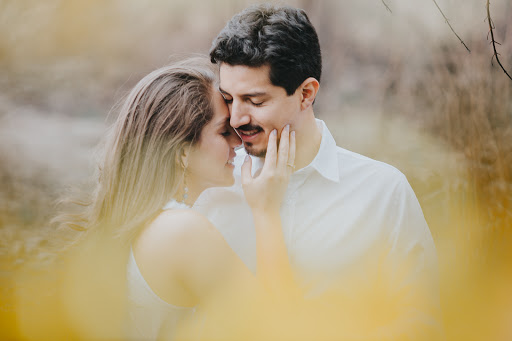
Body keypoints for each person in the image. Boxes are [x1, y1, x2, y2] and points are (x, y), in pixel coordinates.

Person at [193, 3, 442, 339]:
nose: (237, 118)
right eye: (228, 98)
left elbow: (422, 324)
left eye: (255, 101)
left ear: (306, 94)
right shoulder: (212, 183)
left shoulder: (383, 192)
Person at [54, 57, 297, 341]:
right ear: (182, 153)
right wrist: (266, 212)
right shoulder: (182, 231)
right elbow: (282, 327)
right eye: (223, 132)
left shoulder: (143, 222)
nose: (237, 142)